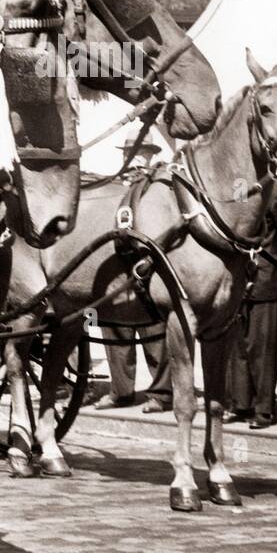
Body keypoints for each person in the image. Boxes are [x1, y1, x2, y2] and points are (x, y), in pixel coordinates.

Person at [94, 133, 171, 412]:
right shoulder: (114, 185)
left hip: (149, 268)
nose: (136, 158)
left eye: (142, 152)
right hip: (117, 267)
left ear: (151, 155)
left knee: (156, 331)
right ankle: (121, 391)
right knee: (114, 328)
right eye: (131, 152)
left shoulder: (160, 186)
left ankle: (161, 394)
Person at [227, 193, 277, 430]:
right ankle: (241, 404)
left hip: (265, 279)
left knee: (262, 349)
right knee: (238, 346)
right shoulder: (238, 190)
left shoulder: (275, 192)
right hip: (237, 277)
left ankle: (264, 411)